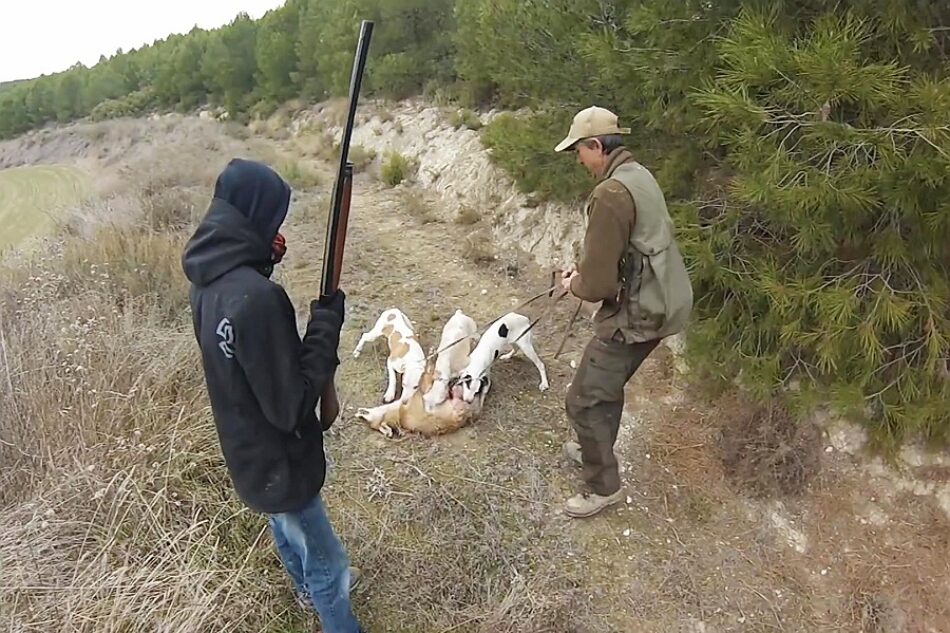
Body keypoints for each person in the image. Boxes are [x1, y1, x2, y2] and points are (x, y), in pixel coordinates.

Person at [181, 158, 365, 632]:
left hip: (249, 457)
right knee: (331, 567)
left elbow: (241, 356)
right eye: (273, 219)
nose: (276, 228)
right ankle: (326, 599)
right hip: (282, 462)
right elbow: (290, 406)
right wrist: (326, 324)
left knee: (284, 527)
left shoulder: (208, 283)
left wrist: (259, 260)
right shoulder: (258, 300)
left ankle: (305, 588)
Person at [554, 106, 693, 519]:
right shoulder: (637, 175)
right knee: (604, 385)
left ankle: (603, 486)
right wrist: (588, 271)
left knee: (582, 399)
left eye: (579, 149)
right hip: (665, 301)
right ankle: (589, 446)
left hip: (639, 313)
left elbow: (595, 287)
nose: (578, 159)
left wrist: (574, 283)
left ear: (596, 145)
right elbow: (627, 252)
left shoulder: (609, 193)